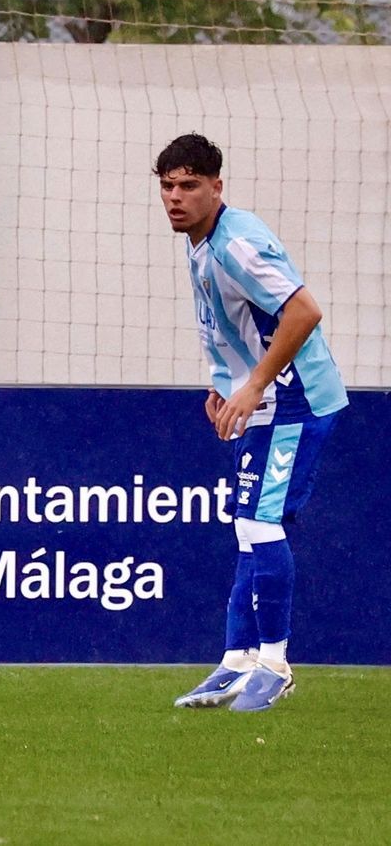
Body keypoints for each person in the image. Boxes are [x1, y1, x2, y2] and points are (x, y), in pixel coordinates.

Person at [156, 133, 348, 713]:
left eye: (189, 185)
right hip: (267, 401)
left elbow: (304, 311)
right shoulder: (202, 242)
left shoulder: (234, 243)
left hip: (296, 401)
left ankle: (275, 663)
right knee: (248, 525)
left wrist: (257, 384)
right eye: (166, 186)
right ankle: (237, 661)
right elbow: (233, 326)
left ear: (217, 187)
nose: (175, 197)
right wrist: (225, 388)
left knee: (262, 525)